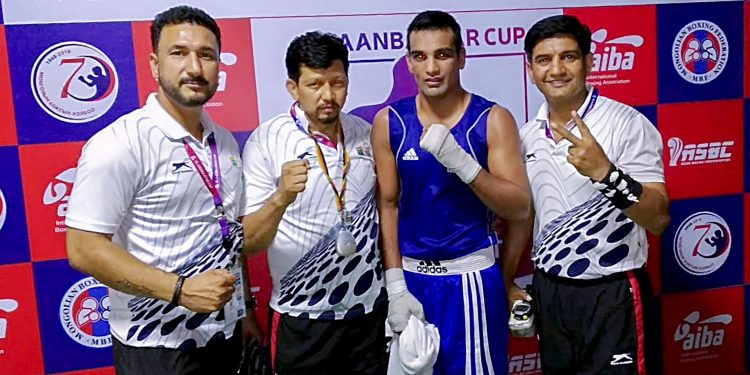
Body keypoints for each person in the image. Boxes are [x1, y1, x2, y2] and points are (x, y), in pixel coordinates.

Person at [65, 6, 255, 374]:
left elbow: (230, 235)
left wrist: (243, 309)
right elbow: (83, 249)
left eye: (207, 55)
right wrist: (180, 290)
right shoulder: (120, 144)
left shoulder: (225, 143)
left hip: (223, 337)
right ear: (155, 65)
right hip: (155, 345)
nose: (195, 68)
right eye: (179, 53)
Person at [371, 10, 532, 374]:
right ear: (408, 62)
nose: (431, 67)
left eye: (442, 54)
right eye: (420, 56)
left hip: (470, 280)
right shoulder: (389, 123)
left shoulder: (491, 119)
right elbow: (389, 204)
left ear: (461, 57)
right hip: (412, 282)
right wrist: (395, 284)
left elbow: (520, 208)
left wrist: (463, 164)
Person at [520, 14, 670, 375]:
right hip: (551, 293)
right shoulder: (526, 134)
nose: (556, 69)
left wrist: (606, 173)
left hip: (612, 293)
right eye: (544, 60)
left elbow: (659, 218)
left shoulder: (626, 123)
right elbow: (525, 219)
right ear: (530, 69)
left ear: (589, 62)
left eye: (568, 57)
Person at [241, 31, 387, 374]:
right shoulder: (267, 141)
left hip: (367, 313)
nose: (328, 95)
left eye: (337, 82)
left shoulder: (366, 133)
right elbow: (247, 243)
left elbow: (390, 212)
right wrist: (281, 197)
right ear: (293, 87)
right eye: (315, 84)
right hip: (301, 318)